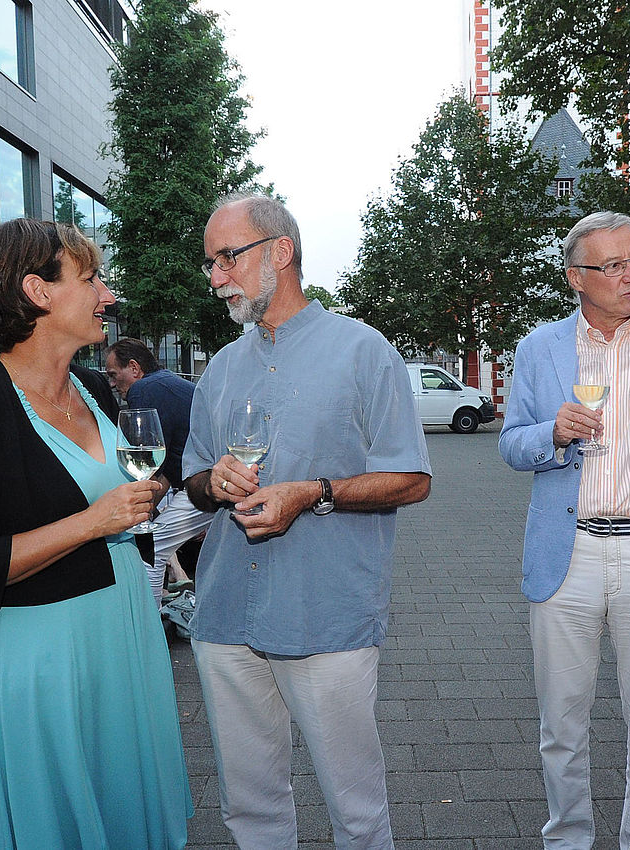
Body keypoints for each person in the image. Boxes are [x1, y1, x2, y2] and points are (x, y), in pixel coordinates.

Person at [0, 219, 193, 848]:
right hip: (50, 653)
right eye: (91, 278)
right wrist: (94, 522)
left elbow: (116, 492)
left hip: (125, 628)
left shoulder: (95, 390)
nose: (107, 294)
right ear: (38, 291)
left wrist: (146, 499)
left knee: (125, 802)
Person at [183, 193, 431, 848]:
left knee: (355, 808)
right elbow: (194, 476)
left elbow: (412, 478)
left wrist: (314, 493)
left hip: (325, 616)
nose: (215, 277)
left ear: (281, 252)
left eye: (227, 257)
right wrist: (212, 482)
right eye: (209, 263)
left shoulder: (363, 351)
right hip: (227, 613)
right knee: (249, 806)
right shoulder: (220, 368)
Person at [499, 210, 630, 850]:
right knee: (561, 725)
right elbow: (511, 444)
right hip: (568, 553)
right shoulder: (541, 348)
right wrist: (552, 433)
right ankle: (567, 839)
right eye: (613, 265)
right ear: (576, 278)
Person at [104, 336, 212, 621]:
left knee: (151, 548)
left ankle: (149, 628)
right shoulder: (166, 382)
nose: (113, 385)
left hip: (207, 483)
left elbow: (150, 462)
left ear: (134, 368)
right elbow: (166, 466)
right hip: (209, 480)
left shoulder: (144, 389)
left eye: (114, 375)